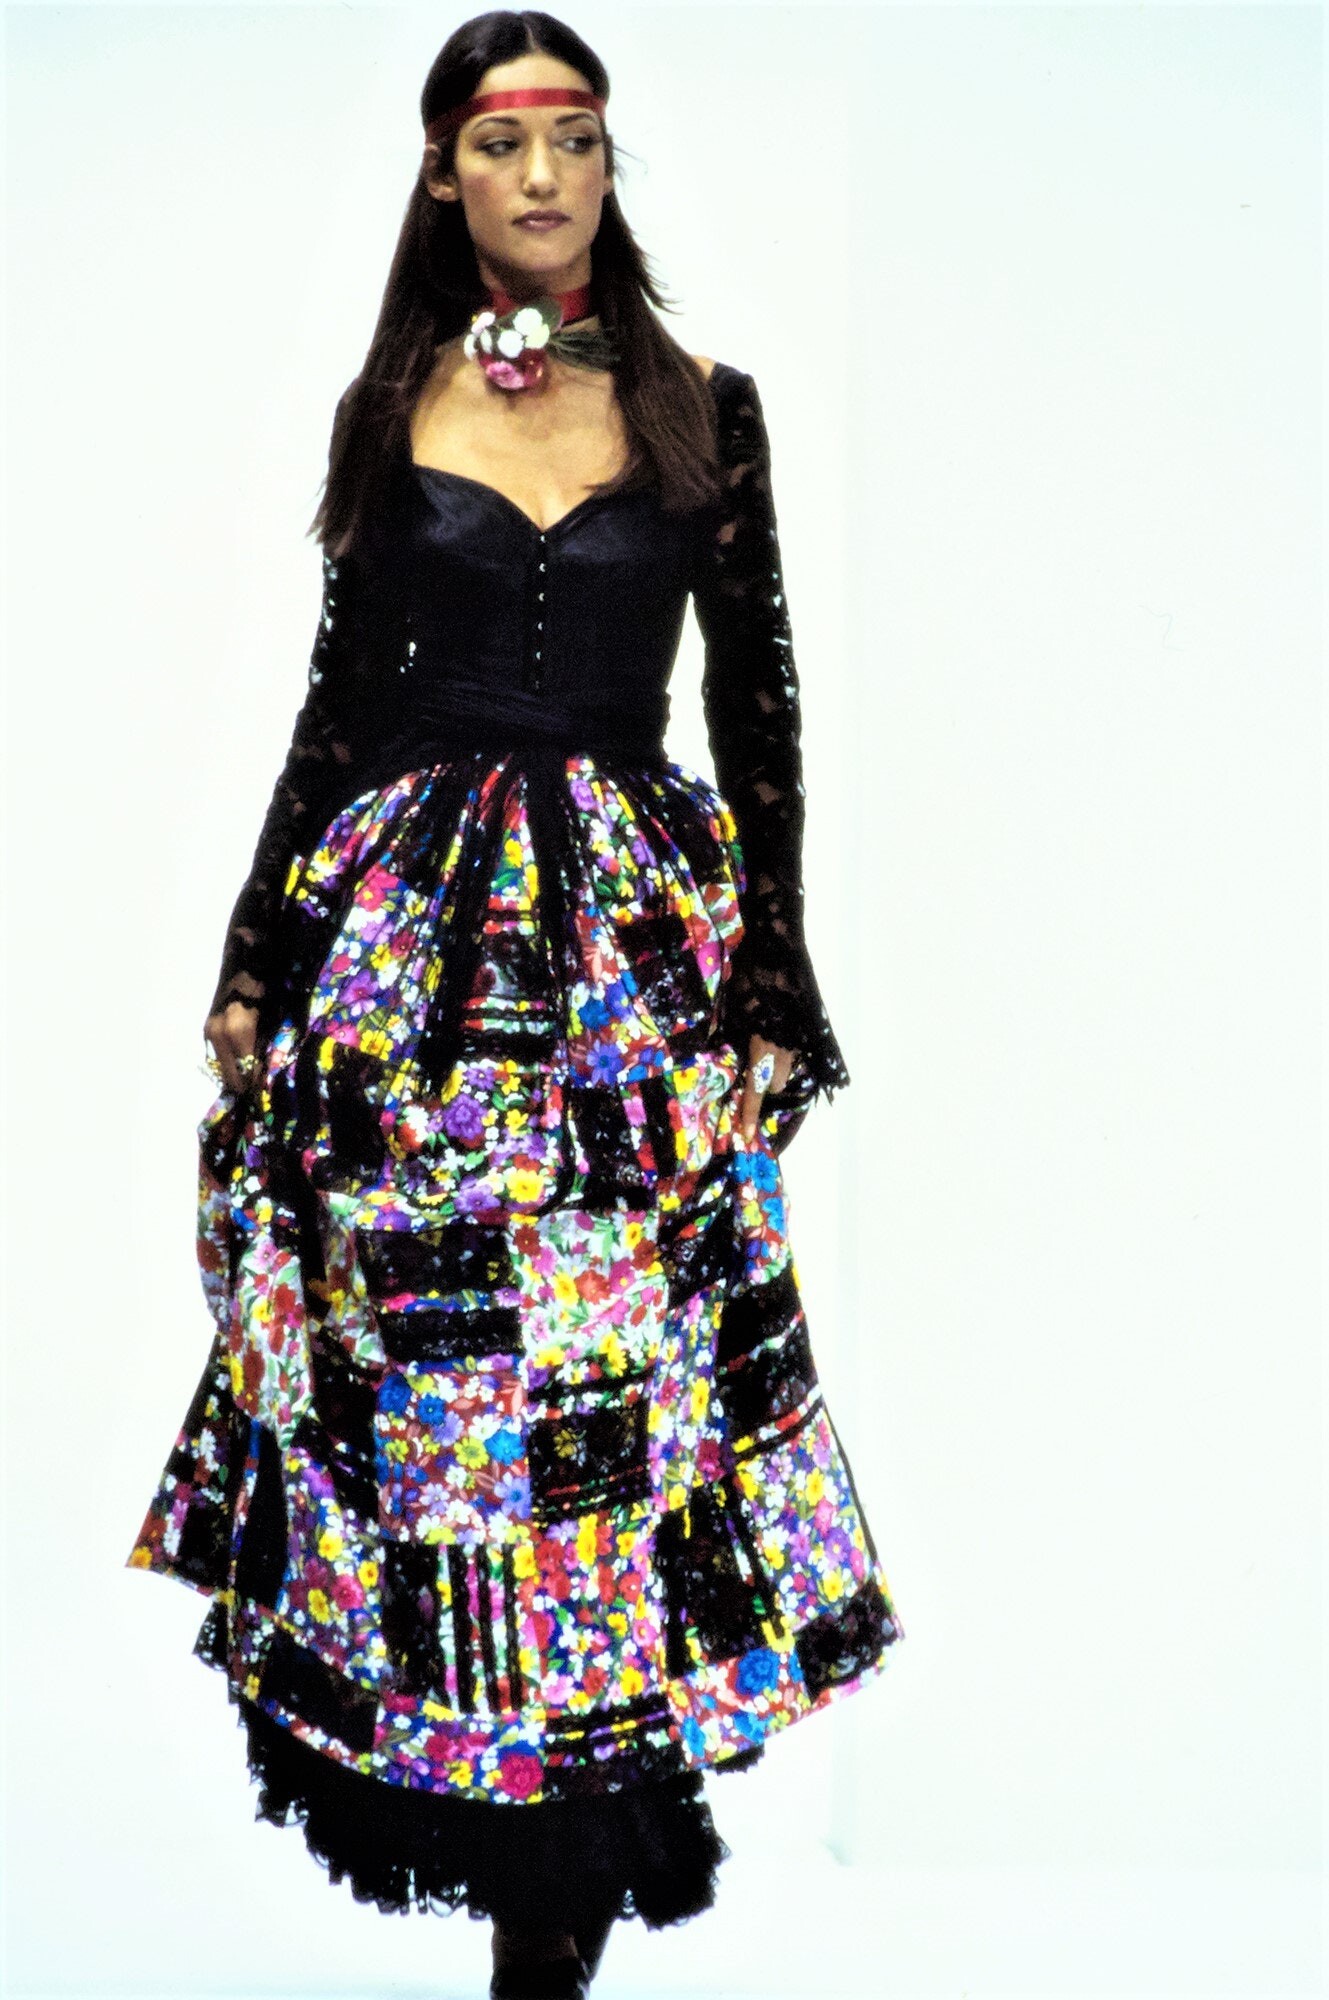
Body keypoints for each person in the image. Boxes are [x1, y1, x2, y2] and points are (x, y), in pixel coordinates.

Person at [125, 12, 906, 1997]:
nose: (542, 174)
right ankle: (481, 1823)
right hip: (409, 965)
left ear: (607, 163)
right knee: (436, 1416)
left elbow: (757, 701)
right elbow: (338, 703)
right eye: (500, 140)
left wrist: (774, 970)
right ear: (442, 171)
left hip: (629, 967)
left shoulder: (705, 409)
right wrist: (252, 955)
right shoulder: (387, 405)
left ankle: (557, 1909)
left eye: (574, 137)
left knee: (614, 1410)